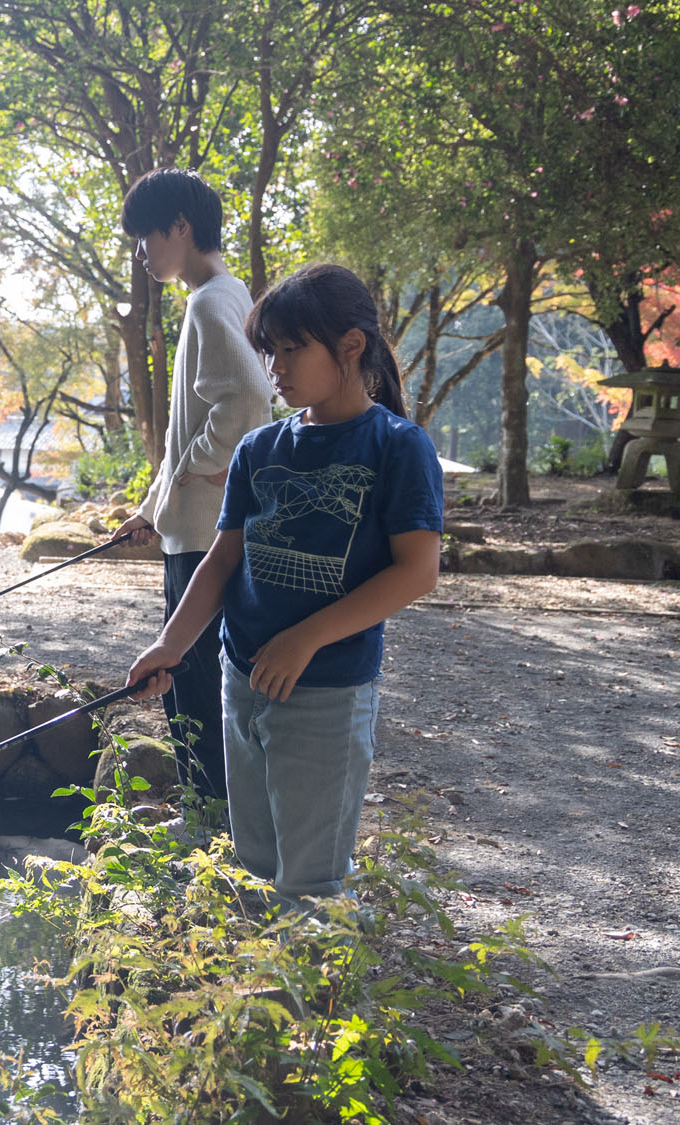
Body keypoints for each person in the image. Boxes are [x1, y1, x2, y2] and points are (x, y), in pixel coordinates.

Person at [126, 262, 443, 901]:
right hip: (241, 678)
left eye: (291, 348)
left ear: (350, 346)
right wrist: (171, 645)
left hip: (326, 690)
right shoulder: (259, 448)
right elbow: (221, 562)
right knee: (256, 858)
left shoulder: (398, 447)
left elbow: (417, 571)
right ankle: (264, 965)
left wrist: (305, 639)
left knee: (311, 880)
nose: (274, 367)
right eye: (267, 351)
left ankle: (315, 967)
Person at [113, 169, 273, 808]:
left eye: (146, 237)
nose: (141, 253)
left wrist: (202, 465)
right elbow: (190, 428)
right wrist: (153, 509)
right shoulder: (225, 295)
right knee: (197, 683)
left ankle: (211, 825)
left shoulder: (209, 302)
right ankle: (219, 821)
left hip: (206, 536)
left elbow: (249, 400)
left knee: (191, 686)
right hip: (196, 528)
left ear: (180, 226)